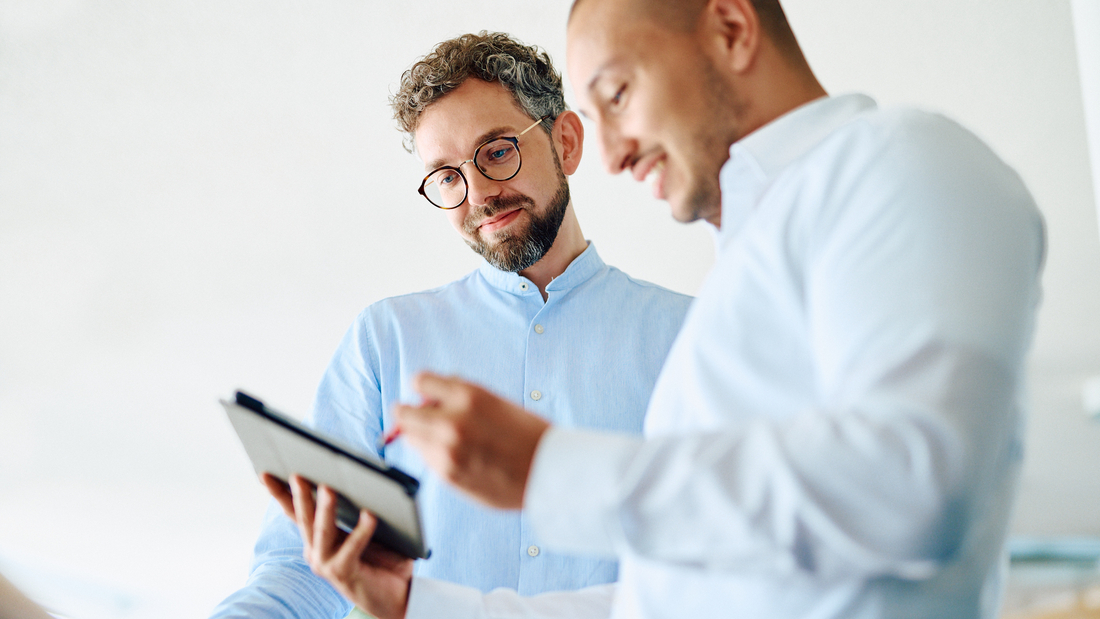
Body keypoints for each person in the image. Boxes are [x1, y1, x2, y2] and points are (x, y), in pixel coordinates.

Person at [279, 1, 1046, 618]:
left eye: (617, 94)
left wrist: (549, 468)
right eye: (447, 176)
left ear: (732, 28)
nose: (612, 154)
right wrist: (419, 604)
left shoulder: (903, 160)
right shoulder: (737, 288)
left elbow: (913, 485)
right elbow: (668, 597)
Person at [208, 31, 692, 619]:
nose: (480, 194)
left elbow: (721, 564)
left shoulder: (691, 336)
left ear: (565, 142)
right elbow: (305, 566)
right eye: (446, 176)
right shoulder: (387, 340)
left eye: (497, 152)